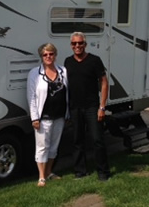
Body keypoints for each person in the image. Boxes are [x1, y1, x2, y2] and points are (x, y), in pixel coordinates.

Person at [64, 32, 111, 181]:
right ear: (71, 45)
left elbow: (104, 82)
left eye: (80, 43)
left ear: (85, 44)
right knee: (77, 140)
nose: (77, 46)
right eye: (74, 43)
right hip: (74, 107)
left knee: (97, 140)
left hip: (92, 107)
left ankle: (103, 172)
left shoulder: (94, 60)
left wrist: (102, 107)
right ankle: (80, 171)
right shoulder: (67, 62)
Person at [27, 43, 69, 187]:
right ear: (41, 56)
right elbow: (31, 97)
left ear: (55, 55)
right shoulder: (34, 73)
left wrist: (67, 114)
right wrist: (34, 118)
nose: (48, 57)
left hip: (60, 116)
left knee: (53, 147)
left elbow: (68, 94)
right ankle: (41, 177)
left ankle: (49, 172)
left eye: (51, 54)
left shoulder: (63, 71)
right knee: (42, 147)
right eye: (45, 54)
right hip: (43, 117)